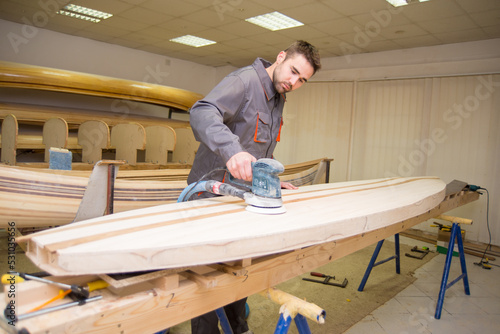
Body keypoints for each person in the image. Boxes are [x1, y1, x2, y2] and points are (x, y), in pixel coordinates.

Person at [187, 40, 321, 334]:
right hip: (210, 194)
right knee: (207, 279)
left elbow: (261, 146)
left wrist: (269, 179)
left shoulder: (278, 95)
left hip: (241, 199)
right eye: (293, 71)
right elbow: (201, 112)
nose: (294, 82)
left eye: (302, 80)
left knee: (239, 269)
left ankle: (238, 327)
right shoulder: (244, 81)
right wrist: (231, 150)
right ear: (281, 56)